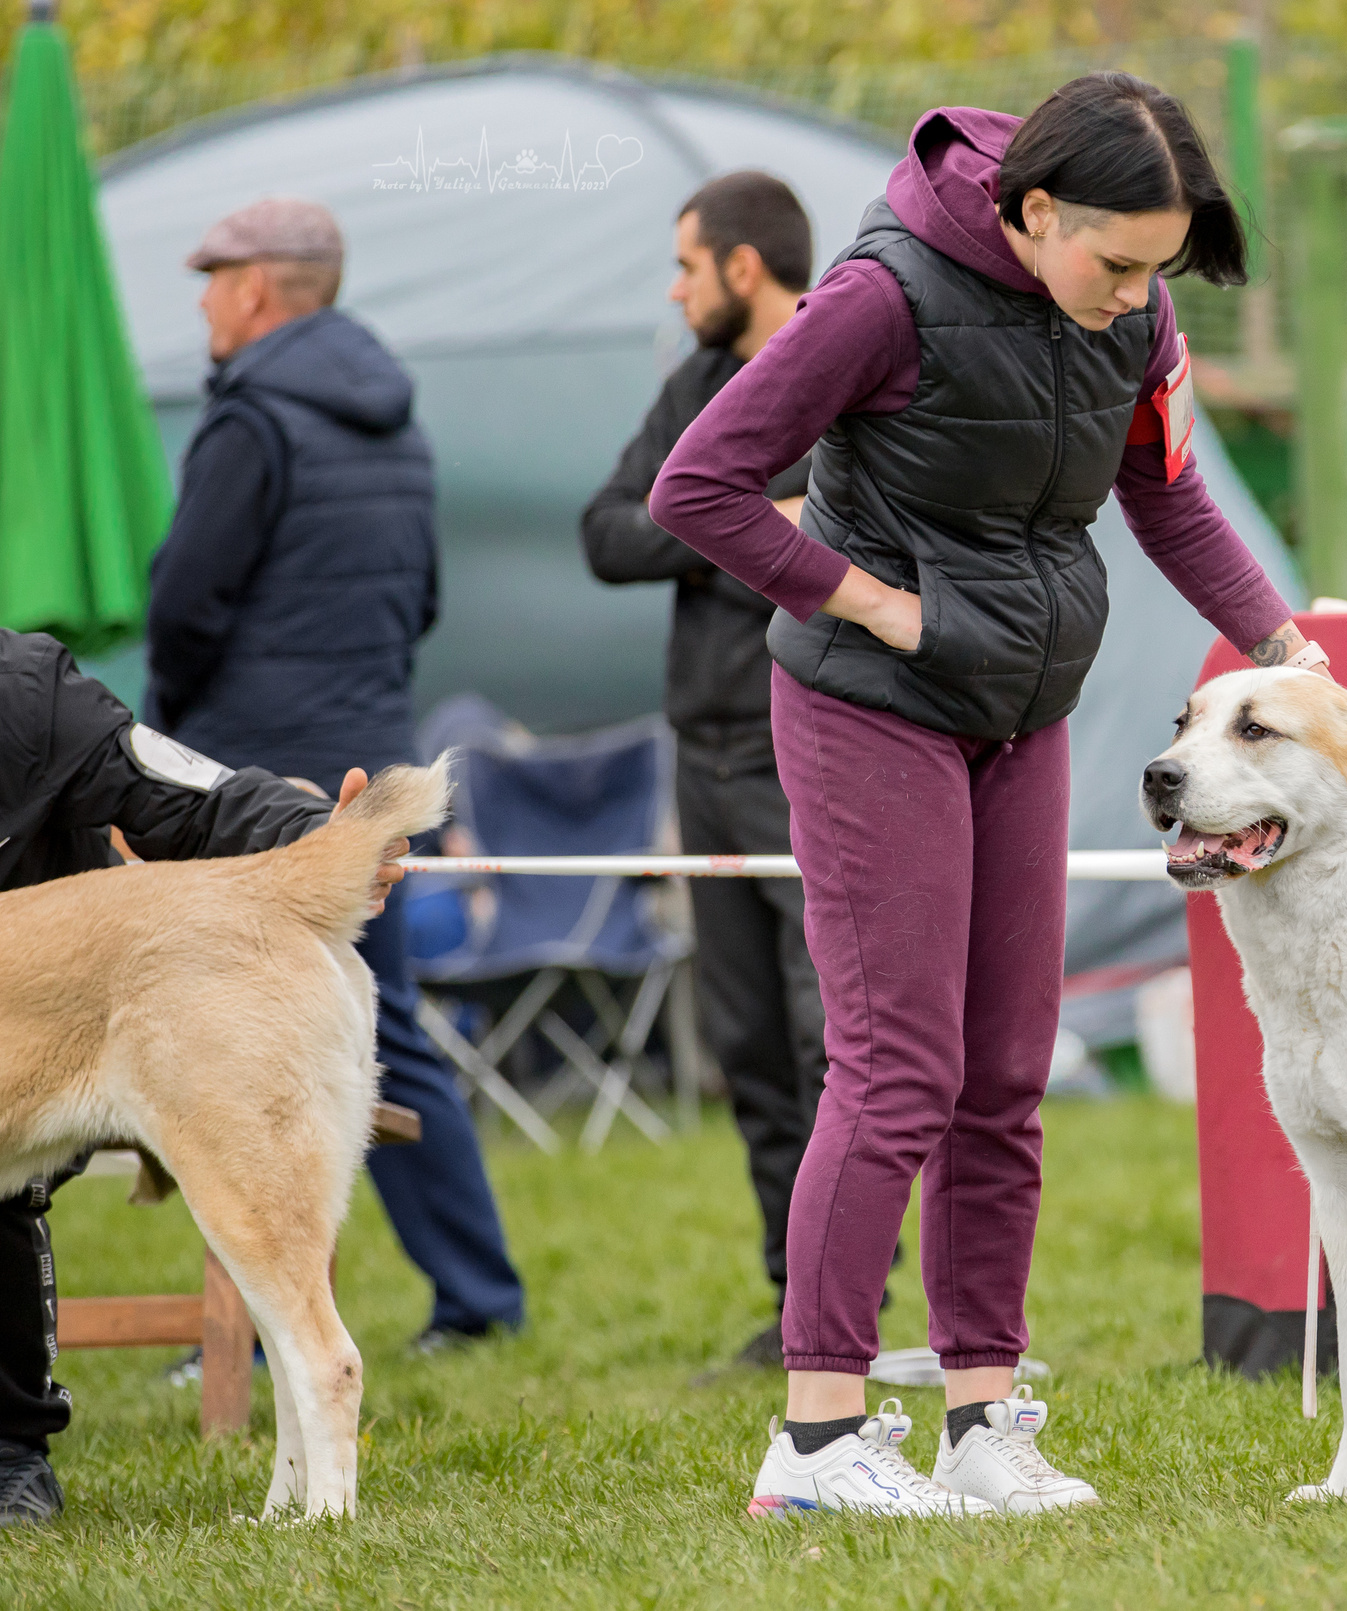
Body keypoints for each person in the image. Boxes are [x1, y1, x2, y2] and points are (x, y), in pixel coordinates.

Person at [651, 74, 1326, 1518]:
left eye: (1160, 267)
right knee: (897, 1064)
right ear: (1031, 213)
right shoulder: (879, 298)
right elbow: (697, 485)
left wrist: (1285, 641)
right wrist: (870, 606)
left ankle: (980, 1421)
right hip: (864, 700)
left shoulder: (1128, 313)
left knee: (1006, 1072)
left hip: (1024, 704)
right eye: (1121, 262)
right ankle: (819, 1443)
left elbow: (1167, 494)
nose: (1143, 296)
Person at [146, 198, 524, 1351]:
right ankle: (479, 1300)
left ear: (259, 287)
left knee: (241, 1062)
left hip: (255, 786)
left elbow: (184, 605)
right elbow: (422, 604)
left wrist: (172, 738)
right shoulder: (398, 425)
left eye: (211, 277)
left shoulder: (250, 423)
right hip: (366, 777)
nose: (203, 298)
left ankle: (254, 1336)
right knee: (388, 1034)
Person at [0, 630, 407, 1525]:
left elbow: (188, 795)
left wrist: (320, 835)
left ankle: (14, 1453)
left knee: (260, 1237)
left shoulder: (26, 689)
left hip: (124, 989)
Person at [581, 172, 835, 1368]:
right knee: (745, 1042)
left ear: (745, 267)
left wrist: (725, 527)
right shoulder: (695, 382)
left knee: (829, 1030)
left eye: (688, 265)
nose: (674, 288)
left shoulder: (841, 365)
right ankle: (795, 1307)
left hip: (811, 742)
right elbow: (608, 531)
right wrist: (744, 523)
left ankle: (861, 1303)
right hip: (705, 748)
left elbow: (845, 531)